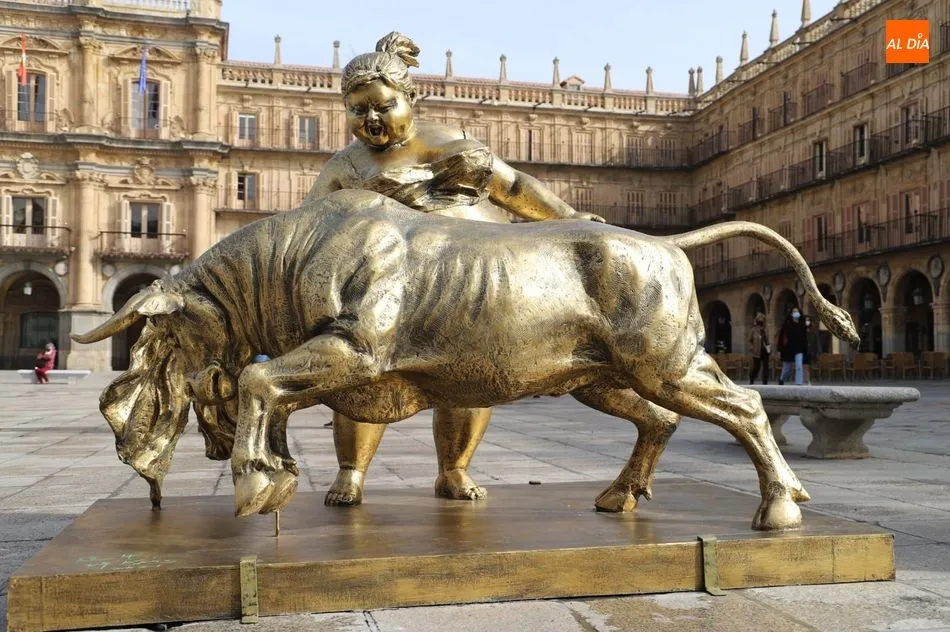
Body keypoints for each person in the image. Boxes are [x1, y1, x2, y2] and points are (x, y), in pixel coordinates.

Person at [304, 32, 605, 507]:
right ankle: (351, 471)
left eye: (383, 106)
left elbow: (512, 188)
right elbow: (309, 226)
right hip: (386, 289)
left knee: (470, 373)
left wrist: (568, 221)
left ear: (410, 98)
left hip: (470, 283)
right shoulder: (345, 165)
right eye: (358, 111)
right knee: (361, 377)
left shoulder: (448, 142)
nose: (371, 120)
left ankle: (454, 469)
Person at [777, 309, 806, 385]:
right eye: (794, 312)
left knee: (799, 366)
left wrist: (805, 350)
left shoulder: (802, 325)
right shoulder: (787, 324)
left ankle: (799, 383)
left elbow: (804, 338)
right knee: (787, 368)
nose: (796, 313)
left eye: (797, 312)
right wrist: (779, 349)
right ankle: (781, 379)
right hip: (788, 349)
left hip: (799, 349)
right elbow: (781, 338)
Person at [748, 312, 770, 384]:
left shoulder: (765, 330)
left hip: (765, 351)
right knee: (757, 367)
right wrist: (751, 347)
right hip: (757, 351)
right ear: (757, 320)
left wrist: (769, 348)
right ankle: (752, 377)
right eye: (760, 319)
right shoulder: (753, 330)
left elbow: (767, 341)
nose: (761, 320)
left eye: (762, 319)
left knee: (766, 366)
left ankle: (765, 381)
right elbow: (749, 340)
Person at [803, 315, 822, 385]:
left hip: (812, 351)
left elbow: (817, 340)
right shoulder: (802, 330)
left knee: (811, 366)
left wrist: (819, 350)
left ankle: (809, 379)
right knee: (806, 366)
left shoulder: (814, 330)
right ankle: (807, 380)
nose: (807, 322)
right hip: (804, 351)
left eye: (808, 320)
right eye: (805, 320)